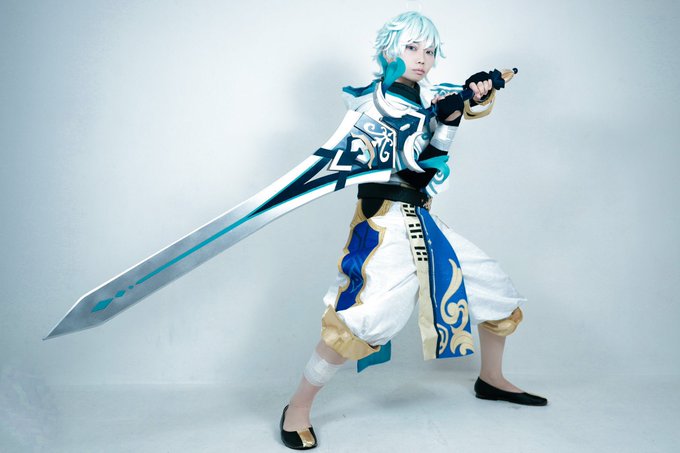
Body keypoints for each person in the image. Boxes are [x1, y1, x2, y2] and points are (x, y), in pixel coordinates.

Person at [279, 11, 547, 450]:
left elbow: (452, 102)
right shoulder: (371, 105)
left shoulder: (427, 95)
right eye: (411, 48)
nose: (422, 58)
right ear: (389, 51)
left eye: (430, 50)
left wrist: (475, 89)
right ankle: (298, 407)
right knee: (362, 321)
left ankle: (491, 379)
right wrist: (446, 121)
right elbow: (415, 165)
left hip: (422, 220)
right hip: (382, 224)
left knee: (494, 289)